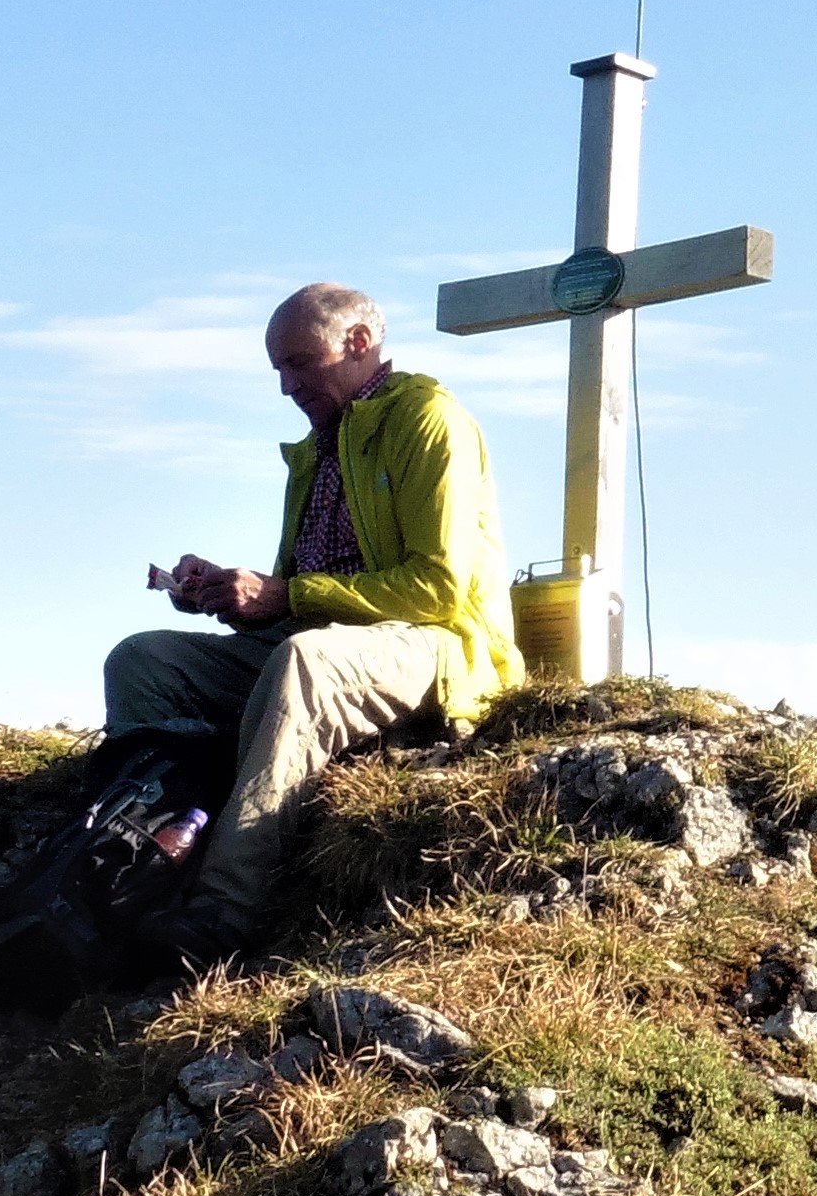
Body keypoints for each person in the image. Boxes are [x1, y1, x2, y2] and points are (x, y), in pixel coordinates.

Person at [102, 281, 523, 962]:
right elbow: (293, 596)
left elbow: (439, 589)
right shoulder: (319, 448)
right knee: (143, 660)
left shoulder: (428, 419)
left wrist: (285, 598)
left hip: (438, 646)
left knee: (306, 660)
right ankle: (129, 859)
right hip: (319, 641)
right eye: (279, 369)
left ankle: (221, 914)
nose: (287, 386)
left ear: (359, 342)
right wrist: (225, 595)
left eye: (300, 364)